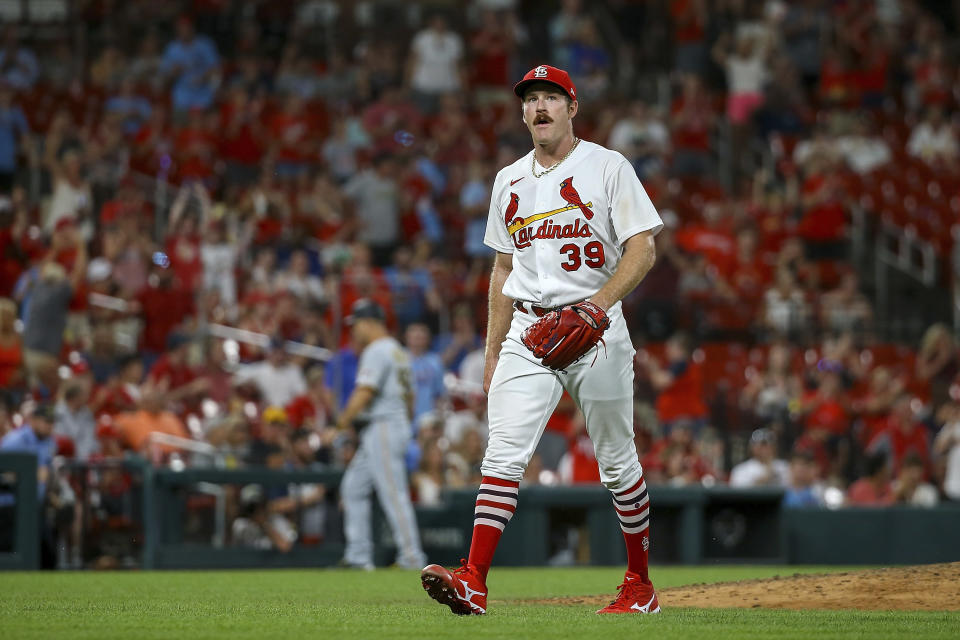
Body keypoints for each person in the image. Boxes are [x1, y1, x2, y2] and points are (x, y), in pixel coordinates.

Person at [421, 65, 662, 616]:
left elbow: (643, 248)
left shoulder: (607, 166)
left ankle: (639, 583)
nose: (541, 107)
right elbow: (503, 270)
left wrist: (596, 306)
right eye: (531, 99)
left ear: (572, 108)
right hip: (528, 329)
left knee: (617, 461)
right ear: (523, 112)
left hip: (596, 327)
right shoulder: (508, 179)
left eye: (552, 97)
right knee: (501, 455)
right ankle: (473, 580)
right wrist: (490, 351)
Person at [337, 299, 426, 570]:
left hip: (384, 425)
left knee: (393, 494)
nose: (354, 330)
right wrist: (405, 426)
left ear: (369, 323)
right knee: (353, 487)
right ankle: (358, 556)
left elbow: (365, 391)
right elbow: (411, 397)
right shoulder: (398, 351)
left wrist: (340, 422)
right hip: (391, 424)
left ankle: (411, 557)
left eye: (356, 324)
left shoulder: (377, 350)